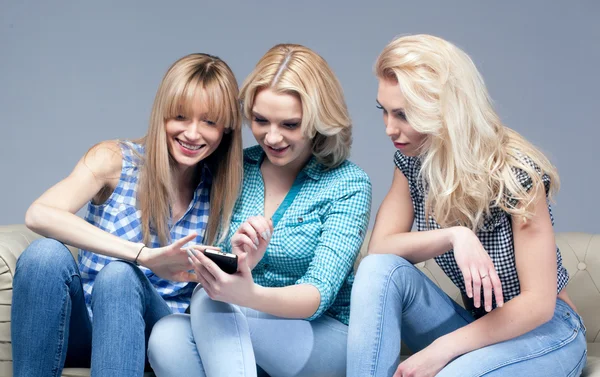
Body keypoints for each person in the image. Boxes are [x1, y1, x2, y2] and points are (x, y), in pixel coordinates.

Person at [347, 34, 587, 377]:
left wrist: (441, 349)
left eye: (403, 114)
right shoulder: (414, 162)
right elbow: (381, 249)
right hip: (480, 330)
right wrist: (456, 235)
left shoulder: (516, 173)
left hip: (547, 332)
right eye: (384, 111)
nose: (389, 128)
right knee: (377, 270)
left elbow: (538, 304)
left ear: (446, 109)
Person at [11, 53, 243, 377]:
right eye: (180, 116)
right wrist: (144, 256)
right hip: (85, 324)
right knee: (42, 255)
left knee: (119, 277)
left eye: (209, 122)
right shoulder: (114, 160)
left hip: (156, 331)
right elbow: (39, 214)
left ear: (226, 130)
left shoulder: (225, 190)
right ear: (162, 115)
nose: (192, 133)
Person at [148, 43, 372, 377]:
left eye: (290, 125)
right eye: (260, 120)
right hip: (239, 329)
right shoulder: (238, 167)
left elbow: (317, 295)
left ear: (318, 121)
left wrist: (248, 294)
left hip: (322, 336)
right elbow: (219, 268)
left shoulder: (348, 184)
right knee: (166, 336)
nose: (272, 137)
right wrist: (241, 261)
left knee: (210, 302)